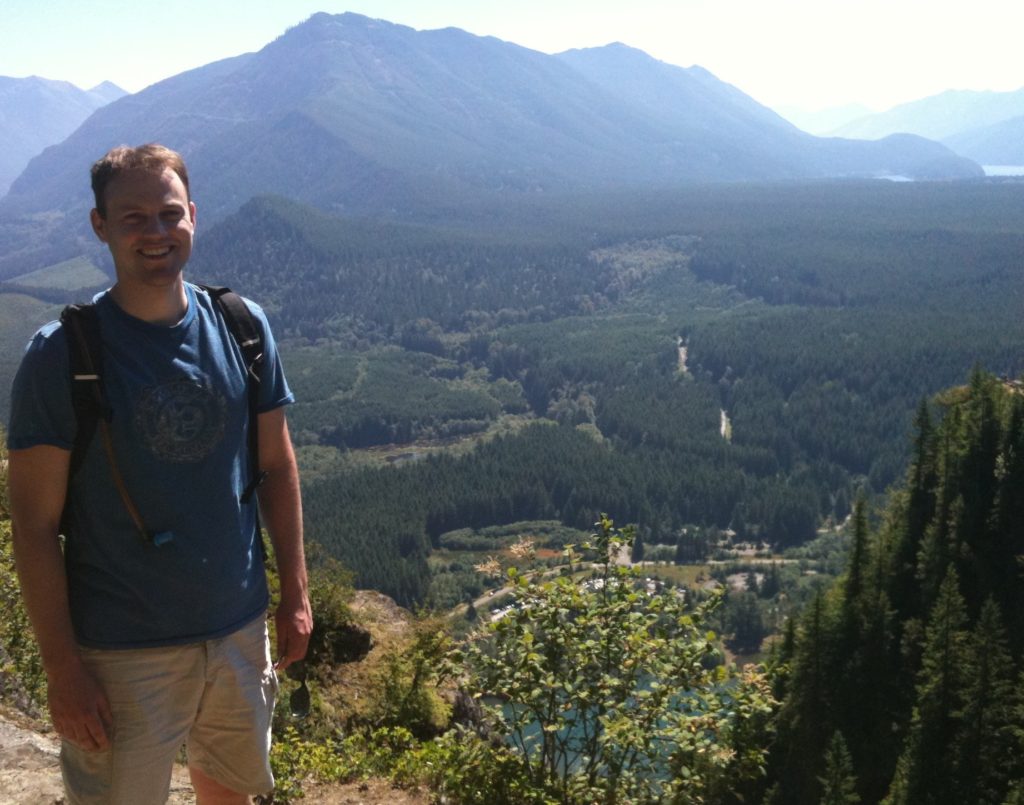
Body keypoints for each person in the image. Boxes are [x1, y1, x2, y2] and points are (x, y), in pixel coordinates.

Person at [6, 143, 312, 804]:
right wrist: (63, 670)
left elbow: (277, 465)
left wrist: (296, 592)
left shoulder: (242, 328)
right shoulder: (62, 358)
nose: (156, 232)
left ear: (194, 217)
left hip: (237, 631)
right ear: (100, 226)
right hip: (120, 653)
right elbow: (33, 528)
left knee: (229, 793)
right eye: (133, 217)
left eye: (169, 214)